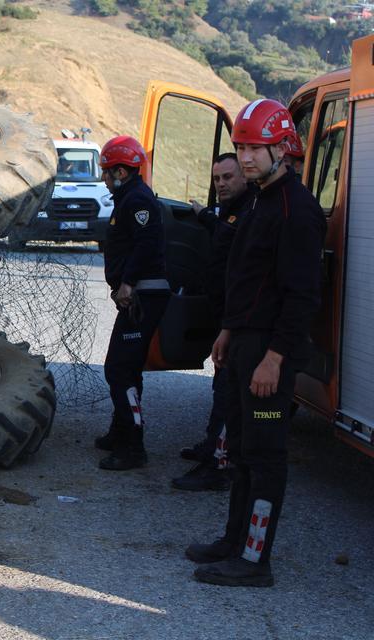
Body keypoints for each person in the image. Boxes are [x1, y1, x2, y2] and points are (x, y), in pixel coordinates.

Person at [188, 99, 326, 588]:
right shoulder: (260, 201)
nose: (245, 158)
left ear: (282, 148)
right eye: (241, 147)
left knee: (265, 458)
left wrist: (275, 358)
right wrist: (228, 330)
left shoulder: (296, 210)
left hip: (271, 354)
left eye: (255, 148)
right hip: (246, 344)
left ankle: (254, 560)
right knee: (243, 450)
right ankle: (233, 542)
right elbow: (246, 279)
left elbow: (301, 295)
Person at [173, 153, 256, 492]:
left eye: (227, 177)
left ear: (244, 178)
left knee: (227, 395)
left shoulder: (252, 211)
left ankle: (218, 467)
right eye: (217, 178)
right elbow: (222, 229)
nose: (221, 184)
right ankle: (212, 447)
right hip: (226, 317)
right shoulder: (233, 211)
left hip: (239, 321)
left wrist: (231, 325)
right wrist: (204, 214)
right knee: (220, 385)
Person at [95, 135, 170, 471]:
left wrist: (127, 283)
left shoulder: (137, 200)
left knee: (119, 368)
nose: (104, 178)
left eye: (108, 171)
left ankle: (133, 446)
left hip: (143, 295)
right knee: (127, 367)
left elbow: (146, 243)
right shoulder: (129, 198)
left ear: (123, 171)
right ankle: (120, 431)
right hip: (137, 295)